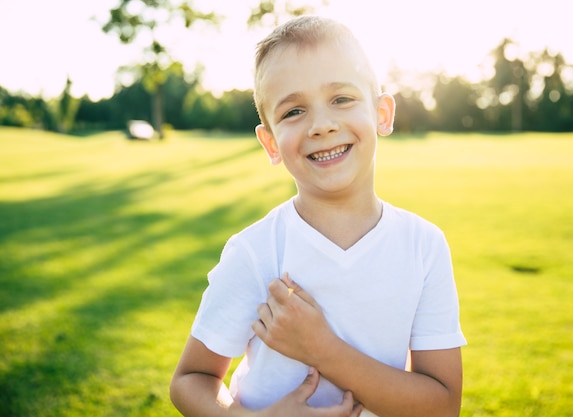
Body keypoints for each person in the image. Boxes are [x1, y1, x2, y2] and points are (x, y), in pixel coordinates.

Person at [170, 15, 466, 417]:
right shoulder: (256, 252)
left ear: (382, 113)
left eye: (342, 99)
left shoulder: (423, 246)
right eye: (293, 111)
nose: (322, 125)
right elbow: (191, 380)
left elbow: (442, 406)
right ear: (271, 143)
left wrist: (323, 349)